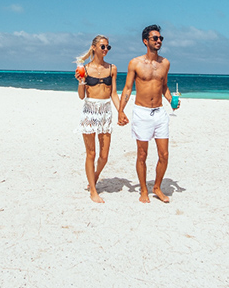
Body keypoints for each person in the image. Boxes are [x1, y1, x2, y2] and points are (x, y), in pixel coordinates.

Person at [117, 25, 177, 203]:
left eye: (160, 38)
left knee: (164, 155)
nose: (159, 41)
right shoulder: (135, 63)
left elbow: (164, 86)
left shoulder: (165, 63)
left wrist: (172, 100)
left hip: (159, 112)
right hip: (142, 112)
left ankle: (156, 187)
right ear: (146, 41)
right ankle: (143, 189)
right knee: (142, 154)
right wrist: (121, 110)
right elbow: (128, 88)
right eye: (155, 38)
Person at [76, 35, 119, 203]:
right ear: (94, 47)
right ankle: (93, 190)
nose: (106, 50)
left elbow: (114, 93)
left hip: (106, 111)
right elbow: (81, 96)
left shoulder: (112, 68)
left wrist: (121, 111)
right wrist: (81, 82)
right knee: (91, 153)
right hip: (90, 111)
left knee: (104, 155)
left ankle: (94, 177)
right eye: (103, 47)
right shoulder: (84, 69)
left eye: (108, 47)